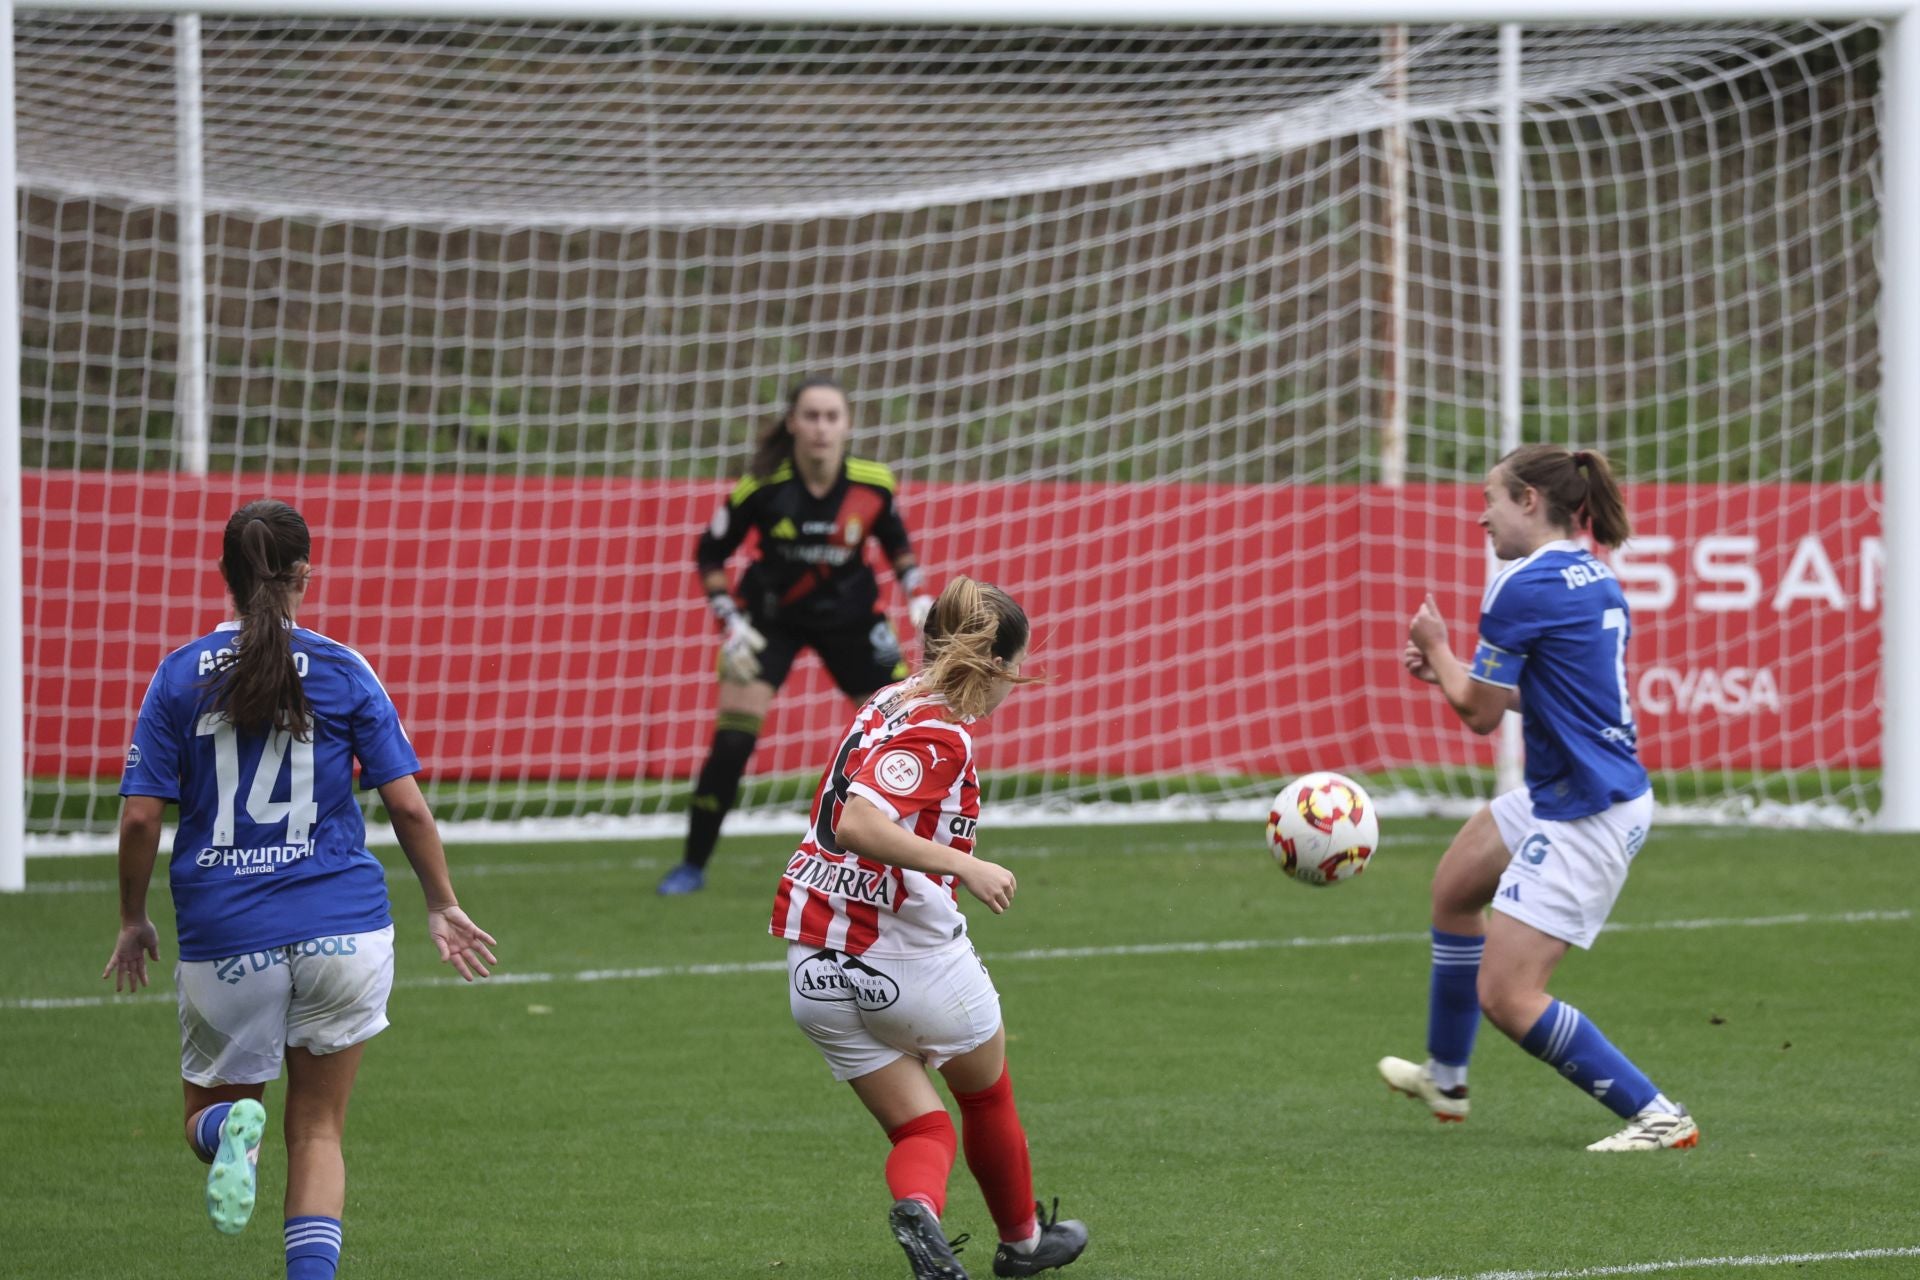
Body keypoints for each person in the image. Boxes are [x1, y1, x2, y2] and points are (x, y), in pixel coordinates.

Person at [102, 499, 497, 1278]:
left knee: (206, 1114)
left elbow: (142, 819)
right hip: (344, 928)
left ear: (223, 576)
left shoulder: (179, 675)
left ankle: (226, 1137)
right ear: (305, 575)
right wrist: (442, 901)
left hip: (227, 935)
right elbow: (407, 804)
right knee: (317, 1128)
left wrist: (131, 917)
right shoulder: (344, 667)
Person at [1381, 444, 1698, 1153]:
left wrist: (1435, 647)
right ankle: (1448, 1079)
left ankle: (1658, 1115)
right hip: (1572, 787)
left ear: (1529, 501)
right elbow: (1547, 696)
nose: (1479, 518)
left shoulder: (1521, 584)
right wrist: (1452, 669)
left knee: (1509, 995)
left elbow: (1480, 713)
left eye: (1490, 500)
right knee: (1456, 890)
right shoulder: (1592, 574)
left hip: (1589, 808)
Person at [770, 576, 1089, 1279]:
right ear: (999, 666)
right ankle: (1024, 1243)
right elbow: (859, 822)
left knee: (923, 1128)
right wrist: (965, 867)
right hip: (906, 960)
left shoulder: (889, 697)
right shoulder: (942, 732)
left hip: (814, 967)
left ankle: (921, 1207)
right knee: (985, 1093)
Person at [659, 376, 936, 895]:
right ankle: (692, 865)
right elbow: (710, 553)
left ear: (847, 425)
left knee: (903, 730)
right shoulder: (763, 487)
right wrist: (729, 621)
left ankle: (915, 860)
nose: (821, 427)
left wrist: (916, 593)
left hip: (853, 621)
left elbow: (897, 545)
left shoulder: (873, 484)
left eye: (832, 416)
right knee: (732, 741)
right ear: (792, 423)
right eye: (811, 416)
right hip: (769, 622)